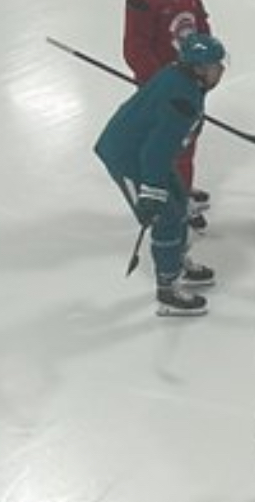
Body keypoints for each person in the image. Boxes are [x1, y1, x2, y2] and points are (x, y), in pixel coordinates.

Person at [93, 32, 226, 317]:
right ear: (199, 69)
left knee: (179, 204)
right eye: (216, 65)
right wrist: (150, 196)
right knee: (165, 216)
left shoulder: (184, 80)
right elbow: (154, 153)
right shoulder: (182, 100)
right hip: (128, 156)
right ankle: (168, 290)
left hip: (146, 150)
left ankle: (177, 262)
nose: (221, 70)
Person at [123, 0, 215, 232]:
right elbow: (136, 49)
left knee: (189, 141)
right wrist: (162, 84)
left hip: (193, 80)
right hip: (164, 88)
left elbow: (201, 26)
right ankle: (176, 204)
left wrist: (207, 61)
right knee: (169, 146)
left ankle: (182, 191)